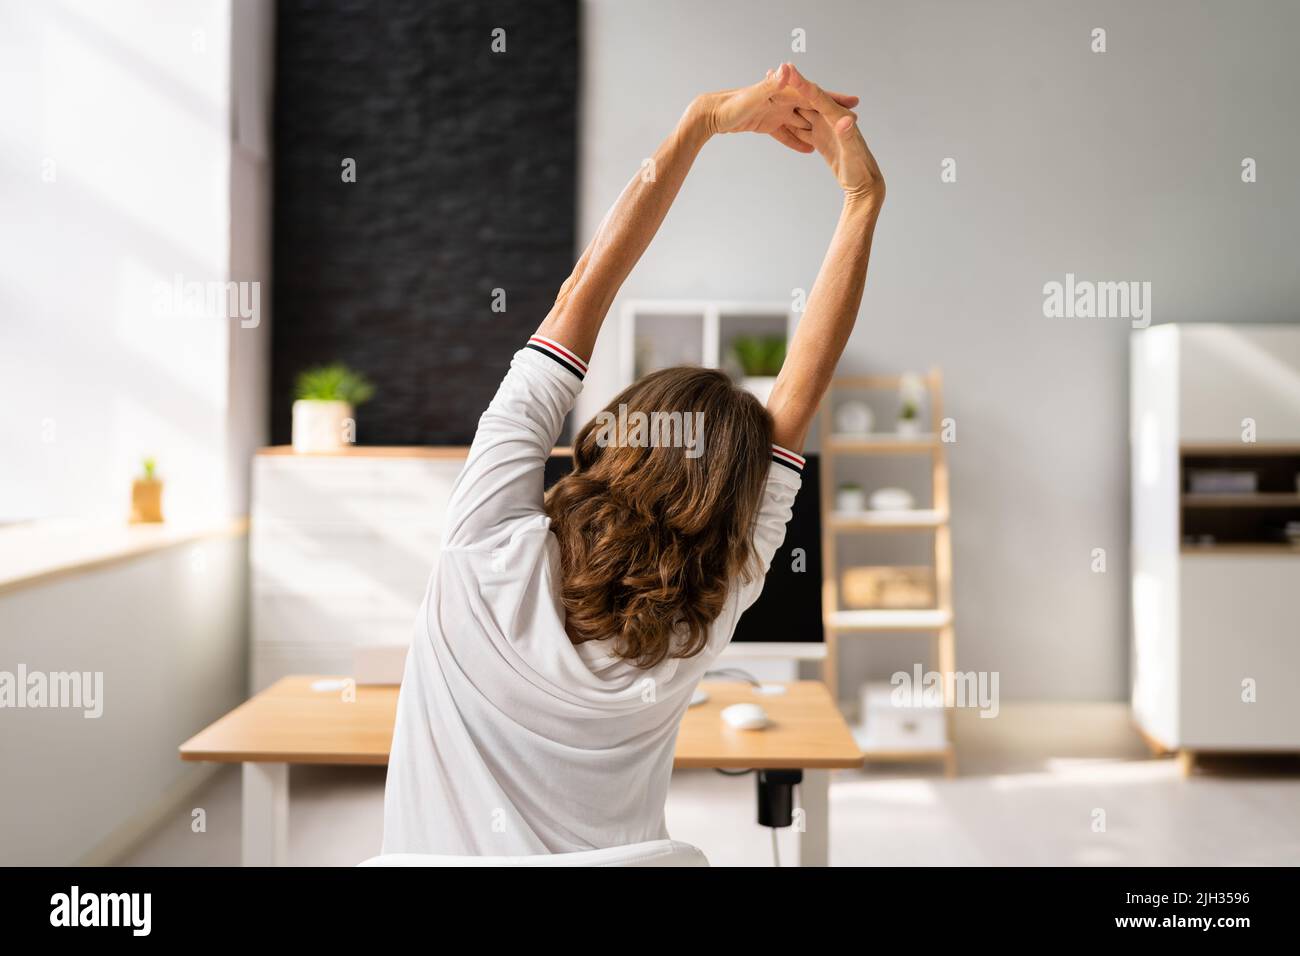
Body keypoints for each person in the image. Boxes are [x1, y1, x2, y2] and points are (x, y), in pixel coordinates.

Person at [382, 64, 884, 855]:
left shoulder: (483, 542)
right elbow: (798, 396)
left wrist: (702, 122)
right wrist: (861, 201)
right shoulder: (706, 612)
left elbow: (582, 294)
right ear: (733, 498)